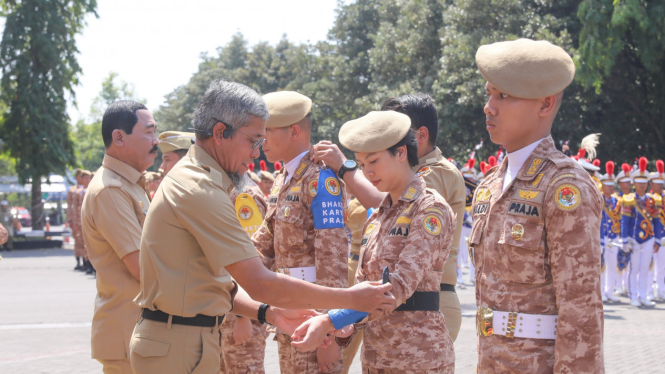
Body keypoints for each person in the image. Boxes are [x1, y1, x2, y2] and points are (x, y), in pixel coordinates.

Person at [130, 81, 393, 374]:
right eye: (254, 140)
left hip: (285, 313)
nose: (258, 152)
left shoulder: (315, 179)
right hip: (182, 341)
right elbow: (259, 278)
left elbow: (327, 258)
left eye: (263, 138)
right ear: (220, 133)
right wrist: (350, 301)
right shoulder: (199, 188)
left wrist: (288, 316)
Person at [471, 38, 604, 372]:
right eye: (489, 93)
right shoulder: (489, 185)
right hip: (490, 359)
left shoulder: (563, 185)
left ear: (545, 104)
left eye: (503, 95)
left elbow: (581, 305)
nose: (489, 106)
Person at [291, 110, 456, 373]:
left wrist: (331, 320)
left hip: (419, 355)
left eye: (374, 161)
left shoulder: (429, 208)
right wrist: (346, 326)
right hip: (377, 355)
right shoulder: (379, 214)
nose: (367, 172)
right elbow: (362, 287)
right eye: (361, 164)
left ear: (401, 152)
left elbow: (398, 286)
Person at [252, 90, 348, 374]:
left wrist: (329, 332)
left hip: (314, 317)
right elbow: (263, 244)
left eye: (267, 131)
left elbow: (333, 260)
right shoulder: (284, 178)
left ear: (294, 131)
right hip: (288, 310)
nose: (261, 140)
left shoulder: (320, 179)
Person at [81, 100, 159, 373]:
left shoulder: (131, 184)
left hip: (143, 334)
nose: (156, 140)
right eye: (149, 131)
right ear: (119, 137)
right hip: (130, 338)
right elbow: (141, 267)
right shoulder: (110, 191)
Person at [220, 177, 270, 374]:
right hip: (225, 307)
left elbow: (251, 259)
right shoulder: (224, 189)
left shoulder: (243, 195)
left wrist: (242, 317)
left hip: (241, 312)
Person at [621, 157, 662, 307]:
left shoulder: (653, 200)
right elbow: (625, 221)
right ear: (634, 184)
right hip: (633, 239)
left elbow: (657, 221)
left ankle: (643, 295)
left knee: (645, 268)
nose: (642, 185)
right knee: (634, 269)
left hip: (649, 238)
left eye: (644, 183)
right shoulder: (629, 199)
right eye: (639, 183)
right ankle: (633, 296)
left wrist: (657, 240)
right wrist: (624, 239)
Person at [599, 162, 622, 302]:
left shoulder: (616, 201)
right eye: (608, 185)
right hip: (602, 237)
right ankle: (601, 292)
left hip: (613, 237)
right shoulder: (598, 199)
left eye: (612, 185)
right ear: (602, 185)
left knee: (612, 266)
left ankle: (609, 291)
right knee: (601, 267)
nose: (611, 187)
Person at [650, 160, 665, 300]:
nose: (660, 185)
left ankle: (661, 290)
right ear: (651, 185)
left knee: (662, 267)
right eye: (657, 183)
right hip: (650, 236)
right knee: (651, 266)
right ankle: (650, 291)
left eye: (662, 183)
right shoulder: (649, 200)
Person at [67, 169, 84, 269]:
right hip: (76, 218)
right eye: (80, 176)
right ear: (76, 178)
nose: (82, 178)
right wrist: (71, 219)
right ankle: (79, 261)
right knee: (78, 240)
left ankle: (87, 262)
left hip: (84, 218)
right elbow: (70, 206)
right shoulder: (73, 190)